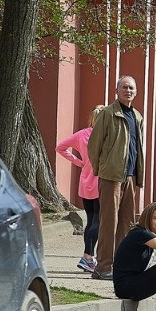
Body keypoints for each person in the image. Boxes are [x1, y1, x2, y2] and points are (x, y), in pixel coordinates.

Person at [88, 75, 145, 281]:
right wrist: (101, 169)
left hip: (130, 176)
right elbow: (93, 145)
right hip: (111, 176)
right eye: (124, 87)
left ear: (136, 92)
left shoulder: (137, 117)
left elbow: (137, 148)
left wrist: (138, 175)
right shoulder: (108, 114)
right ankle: (103, 267)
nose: (128, 91)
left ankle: (120, 265)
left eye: (131, 88)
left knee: (127, 224)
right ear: (117, 91)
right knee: (108, 223)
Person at [56, 105, 107, 273]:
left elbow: (60, 147)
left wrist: (79, 162)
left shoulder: (81, 134)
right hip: (100, 182)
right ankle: (87, 256)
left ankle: (88, 257)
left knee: (91, 220)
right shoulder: (105, 137)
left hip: (85, 182)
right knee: (98, 222)